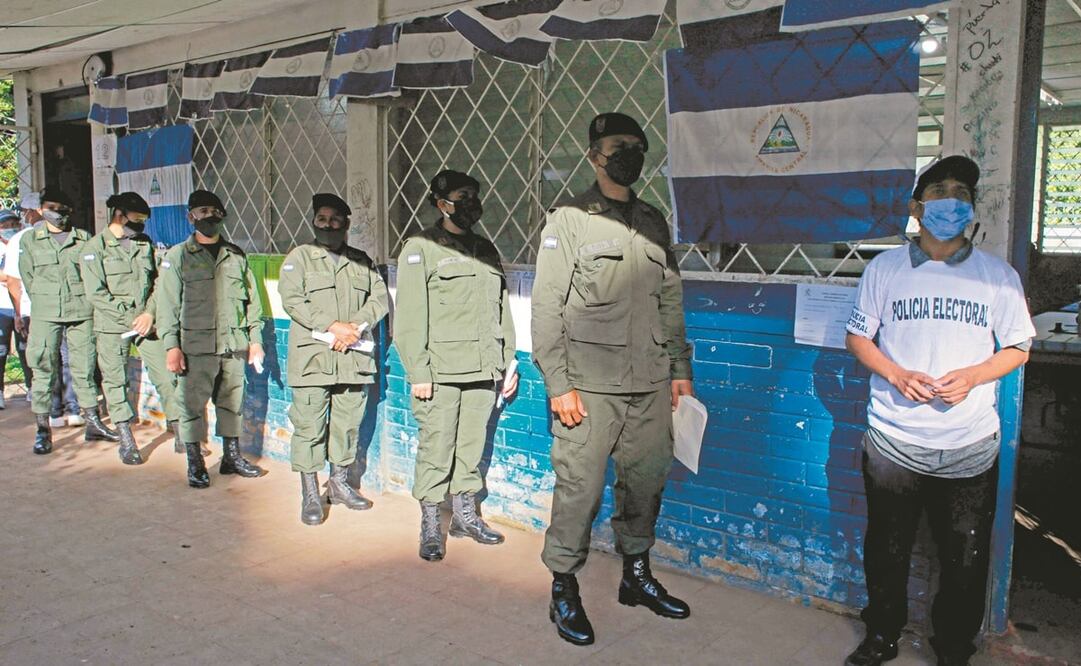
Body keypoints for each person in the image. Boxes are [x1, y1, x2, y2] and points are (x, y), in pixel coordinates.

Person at [843, 156, 1035, 666]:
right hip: (893, 440)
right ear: (917, 206)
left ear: (971, 208)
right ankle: (881, 636)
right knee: (887, 550)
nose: (952, 200)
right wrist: (895, 373)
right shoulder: (884, 269)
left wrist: (972, 377)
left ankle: (953, 649)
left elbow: (1018, 347)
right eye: (940, 190)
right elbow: (858, 337)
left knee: (964, 559)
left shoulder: (997, 275)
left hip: (969, 444)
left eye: (962, 193)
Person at [531, 113, 694, 646]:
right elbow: (547, 306)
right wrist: (558, 383)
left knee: (645, 483)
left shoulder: (651, 220)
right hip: (589, 386)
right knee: (580, 491)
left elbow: (669, 298)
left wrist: (679, 369)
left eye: (637, 146)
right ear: (595, 155)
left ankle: (636, 577)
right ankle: (563, 587)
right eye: (616, 146)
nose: (628, 153)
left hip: (649, 383)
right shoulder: (570, 220)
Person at [395, 170, 518, 561]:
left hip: (483, 368)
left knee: (470, 448)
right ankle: (432, 524)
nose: (469, 203)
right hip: (441, 371)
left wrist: (507, 361)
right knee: (437, 447)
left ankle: (466, 517)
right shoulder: (421, 247)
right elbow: (410, 316)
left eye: (473, 195)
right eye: (460, 196)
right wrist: (418, 372)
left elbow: (503, 309)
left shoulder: (484, 248)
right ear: (440, 202)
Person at [277, 193, 389, 525]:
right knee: (309, 427)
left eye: (335, 219)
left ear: (346, 223)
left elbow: (380, 298)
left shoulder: (361, 261)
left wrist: (354, 328)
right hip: (313, 359)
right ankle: (311, 493)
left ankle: (339, 484)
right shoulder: (300, 258)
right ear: (314, 221)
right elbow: (292, 300)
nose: (328, 224)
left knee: (347, 427)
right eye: (322, 219)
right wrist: (333, 327)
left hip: (353, 358)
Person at [158, 190, 266, 488]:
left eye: (214, 211)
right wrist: (171, 346)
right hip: (195, 348)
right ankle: (195, 462)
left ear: (223, 215)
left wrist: (255, 339)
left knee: (232, 403)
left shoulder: (236, 256)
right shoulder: (177, 256)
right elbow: (166, 305)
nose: (209, 217)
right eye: (202, 211)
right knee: (191, 406)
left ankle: (231, 457)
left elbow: (252, 302)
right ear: (191, 217)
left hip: (232, 345)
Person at [81, 192, 182, 465]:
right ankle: (126, 439)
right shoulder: (94, 248)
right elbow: (96, 294)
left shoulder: (143, 243)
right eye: (137, 220)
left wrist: (149, 313)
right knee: (115, 381)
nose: (141, 226)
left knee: (166, 374)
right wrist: (131, 319)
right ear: (119, 214)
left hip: (147, 324)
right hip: (113, 325)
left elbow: (157, 281)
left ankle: (181, 431)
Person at [19, 186, 118, 454]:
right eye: (51, 208)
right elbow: (27, 277)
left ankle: (93, 423)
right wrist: (44, 299)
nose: (58, 214)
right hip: (45, 312)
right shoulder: (30, 240)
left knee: (84, 368)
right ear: (41, 210)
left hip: (80, 312)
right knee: (43, 368)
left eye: (62, 209)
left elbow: (92, 274)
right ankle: (43, 429)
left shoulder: (83, 238)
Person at [0, 209, 29, 409]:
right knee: (1, 350)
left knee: (26, 349)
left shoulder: (23, 242)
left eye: (13, 224)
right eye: (5, 225)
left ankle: (32, 387)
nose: (10, 228)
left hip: (24, 304)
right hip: (2, 305)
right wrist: (12, 276)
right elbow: (12, 276)